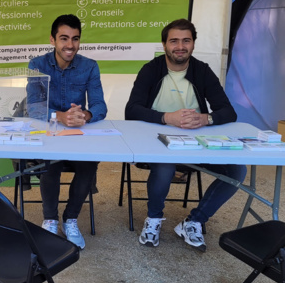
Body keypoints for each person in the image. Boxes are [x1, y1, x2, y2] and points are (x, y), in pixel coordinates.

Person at [125, 18, 246, 252]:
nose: (180, 46)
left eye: (186, 41)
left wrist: (205, 118)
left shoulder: (202, 70)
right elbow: (131, 110)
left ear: (193, 44)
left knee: (237, 170)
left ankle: (194, 221)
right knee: (165, 165)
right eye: (174, 41)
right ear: (164, 44)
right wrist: (166, 117)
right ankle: (153, 219)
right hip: (156, 140)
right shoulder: (151, 69)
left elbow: (228, 111)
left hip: (196, 142)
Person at [27, 14, 107, 249]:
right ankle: (50, 219)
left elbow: (100, 105)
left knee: (89, 164)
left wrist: (86, 115)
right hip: (49, 132)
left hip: (78, 134)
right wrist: (60, 116)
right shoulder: (37, 65)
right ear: (52, 40)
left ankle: (70, 219)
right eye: (64, 38)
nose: (70, 45)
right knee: (51, 164)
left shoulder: (90, 66)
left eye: (75, 39)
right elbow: (33, 107)